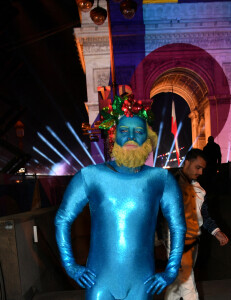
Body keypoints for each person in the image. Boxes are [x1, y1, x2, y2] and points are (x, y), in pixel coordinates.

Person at [55, 94, 187, 300]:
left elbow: (177, 226)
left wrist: (171, 272)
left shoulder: (161, 179)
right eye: (124, 131)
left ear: (148, 137)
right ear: (114, 135)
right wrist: (70, 265)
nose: (131, 136)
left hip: (142, 282)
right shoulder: (90, 176)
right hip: (99, 281)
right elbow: (63, 218)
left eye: (139, 131)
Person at [164, 148, 229, 300]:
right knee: (187, 281)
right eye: (197, 167)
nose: (200, 172)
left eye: (202, 169)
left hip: (194, 240)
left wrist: (216, 232)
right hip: (176, 240)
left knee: (178, 281)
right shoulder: (169, 184)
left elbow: (204, 216)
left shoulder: (200, 190)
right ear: (187, 163)